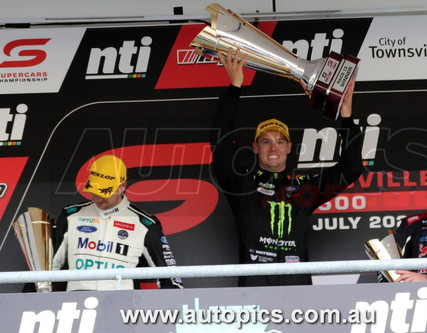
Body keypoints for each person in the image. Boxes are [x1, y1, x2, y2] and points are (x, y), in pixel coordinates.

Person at [210, 48, 363, 286]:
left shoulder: (305, 188)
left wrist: (346, 116)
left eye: (280, 141)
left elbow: (351, 167)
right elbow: (220, 145)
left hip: (298, 294)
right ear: (255, 147)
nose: (274, 148)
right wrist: (235, 87)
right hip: (254, 293)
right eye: (266, 141)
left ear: (289, 147)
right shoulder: (241, 184)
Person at [52, 154, 183, 291]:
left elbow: (172, 280)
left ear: (122, 187)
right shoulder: (71, 216)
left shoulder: (144, 224)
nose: (97, 199)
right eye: (93, 191)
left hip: (119, 307)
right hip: (77, 306)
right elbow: (46, 269)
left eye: (104, 193)